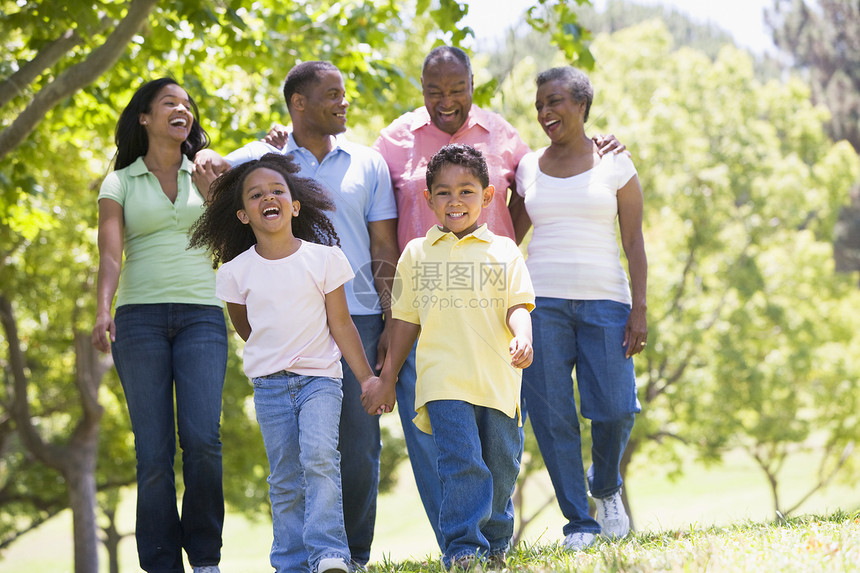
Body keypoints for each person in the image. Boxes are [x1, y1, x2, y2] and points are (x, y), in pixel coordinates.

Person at [194, 61, 399, 568]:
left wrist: (392, 317)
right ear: (298, 104)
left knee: (355, 450)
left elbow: (382, 245)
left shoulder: (367, 161)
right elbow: (214, 171)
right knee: (296, 461)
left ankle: (349, 554)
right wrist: (204, 153)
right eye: (332, 94)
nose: (343, 102)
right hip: (291, 332)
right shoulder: (265, 158)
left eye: (344, 94)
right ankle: (306, 555)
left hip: (359, 317)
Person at [361, 144, 536, 570]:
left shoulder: (505, 252)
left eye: (466, 191)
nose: (455, 201)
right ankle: (462, 549)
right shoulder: (417, 254)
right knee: (461, 463)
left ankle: (495, 544)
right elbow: (404, 323)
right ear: (427, 199)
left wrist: (523, 336)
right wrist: (386, 378)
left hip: (498, 379)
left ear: (488, 197)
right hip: (442, 382)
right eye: (443, 193)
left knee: (500, 463)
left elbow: (518, 305)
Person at [91, 78, 227, 573]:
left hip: (202, 315)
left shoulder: (207, 171)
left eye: (188, 104)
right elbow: (110, 257)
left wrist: (217, 181)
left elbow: (235, 231)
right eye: (169, 102)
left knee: (203, 441)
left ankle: (206, 559)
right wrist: (103, 309)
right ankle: (161, 565)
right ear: (144, 118)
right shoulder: (120, 181)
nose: (182, 109)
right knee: (153, 452)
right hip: (139, 318)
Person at [515, 66, 647, 552]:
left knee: (614, 406)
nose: (546, 113)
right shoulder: (528, 167)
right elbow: (510, 236)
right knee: (552, 417)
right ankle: (580, 523)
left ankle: (606, 483)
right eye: (540, 106)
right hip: (541, 303)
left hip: (607, 301)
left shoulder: (616, 163)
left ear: (582, 105)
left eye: (555, 102)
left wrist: (640, 308)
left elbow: (633, 240)